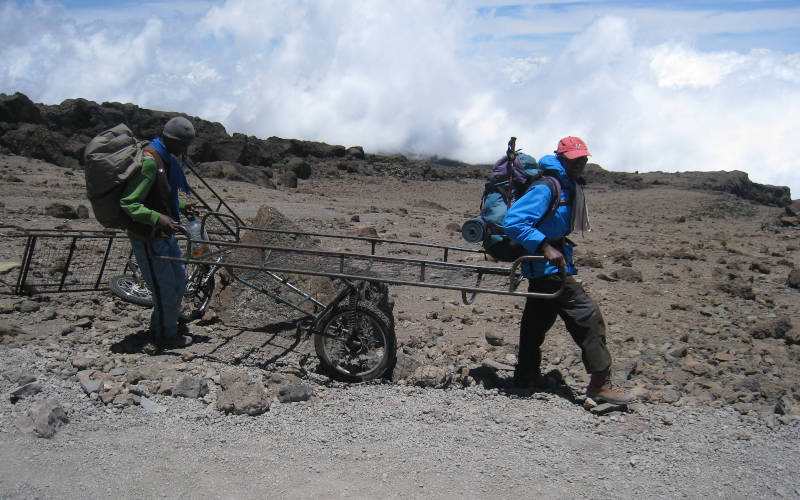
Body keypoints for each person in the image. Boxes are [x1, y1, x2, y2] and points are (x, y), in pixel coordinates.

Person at [502, 136, 634, 405]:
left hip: (548, 267)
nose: (580, 164)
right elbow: (513, 222)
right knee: (588, 316)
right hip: (548, 266)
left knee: (536, 321)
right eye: (574, 159)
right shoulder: (548, 187)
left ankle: (525, 376)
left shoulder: (567, 185)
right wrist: (545, 245)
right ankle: (600, 384)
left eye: (583, 158)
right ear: (561, 158)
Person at [120, 116, 197, 349]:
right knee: (163, 288)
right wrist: (159, 218)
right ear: (173, 141)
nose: (185, 150)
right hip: (149, 239)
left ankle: (163, 325)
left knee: (178, 282)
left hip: (165, 234)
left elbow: (160, 196)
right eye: (184, 145)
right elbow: (129, 203)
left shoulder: (164, 158)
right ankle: (165, 337)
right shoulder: (151, 162)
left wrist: (182, 207)